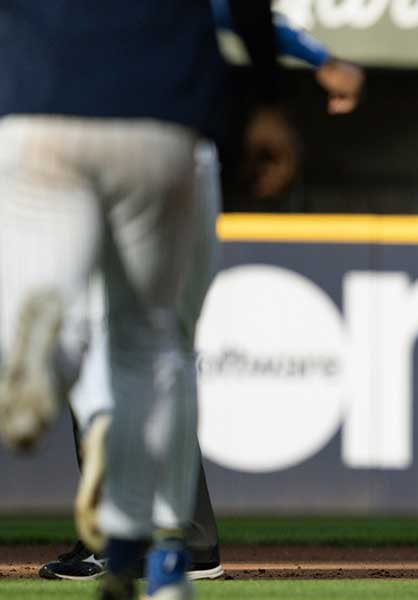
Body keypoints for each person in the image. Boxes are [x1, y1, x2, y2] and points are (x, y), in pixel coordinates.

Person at [35, 2, 365, 583]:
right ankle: (174, 537)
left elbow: (236, 9)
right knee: (145, 349)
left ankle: (134, 535)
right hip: (159, 149)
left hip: (135, 149)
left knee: (117, 346)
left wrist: (314, 61)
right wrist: (317, 62)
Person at [0, 1, 281, 598]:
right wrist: (268, 98)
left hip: (35, 102)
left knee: (58, 305)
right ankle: (156, 561)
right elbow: (248, 8)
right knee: (155, 344)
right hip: (160, 112)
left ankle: (65, 373)